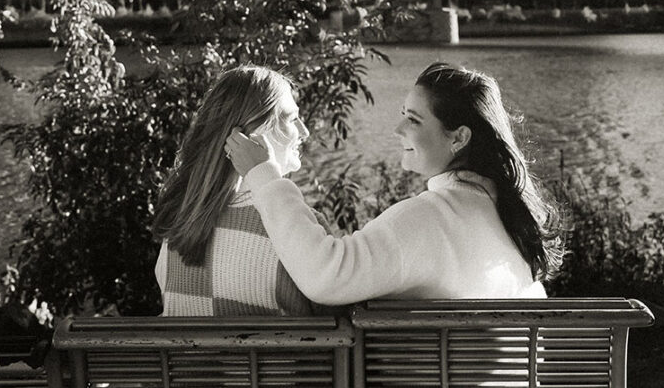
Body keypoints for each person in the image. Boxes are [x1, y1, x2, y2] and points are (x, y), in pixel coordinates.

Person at [226, 62, 563, 305]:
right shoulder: (511, 221)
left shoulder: (430, 220)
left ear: (458, 137)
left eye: (413, 120)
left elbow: (325, 276)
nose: (397, 130)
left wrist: (264, 176)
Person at [151, 65, 312, 315]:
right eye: (292, 119)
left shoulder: (179, 224)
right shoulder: (295, 228)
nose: (304, 131)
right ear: (256, 133)